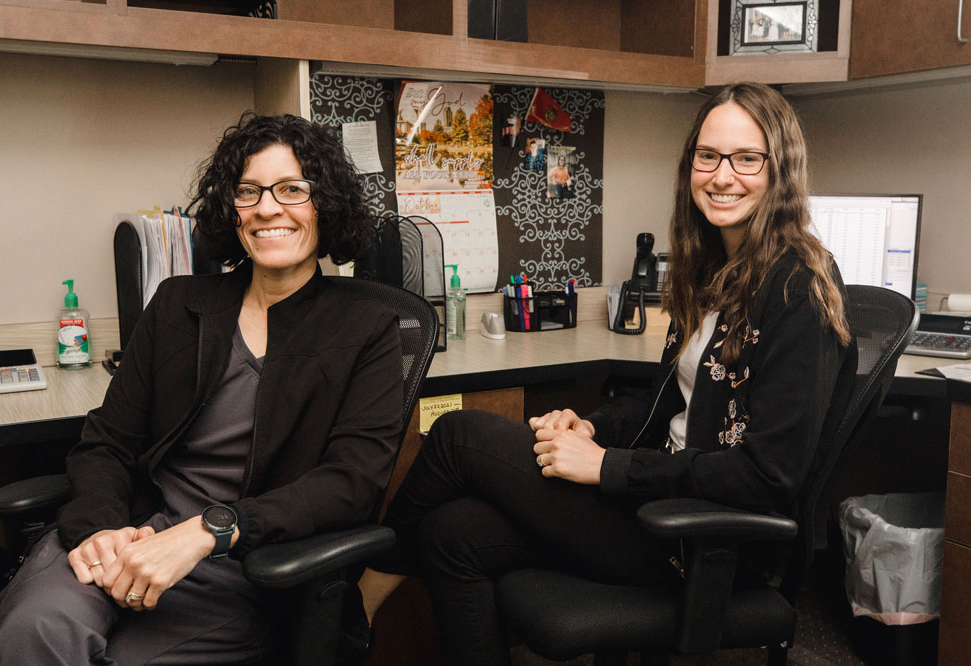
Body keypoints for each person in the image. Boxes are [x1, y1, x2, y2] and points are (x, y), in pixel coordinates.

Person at [357, 82, 857, 666]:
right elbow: (666, 404)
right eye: (708, 156)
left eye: (747, 158)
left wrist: (608, 468)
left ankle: (357, 609)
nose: (723, 176)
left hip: (702, 536)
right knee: (450, 533)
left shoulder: (799, 288)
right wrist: (591, 428)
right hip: (658, 501)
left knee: (457, 436)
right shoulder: (718, 271)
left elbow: (769, 477)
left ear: (781, 171)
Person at [0, 114, 404, 665]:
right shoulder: (179, 305)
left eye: (293, 189)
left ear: (328, 204)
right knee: (33, 635)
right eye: (249, 192)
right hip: (128, 536)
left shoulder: (366, 327)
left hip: (236, 567)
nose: (268, 208)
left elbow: (351, 484)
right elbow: (106, 441)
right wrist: (103, 528)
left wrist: (211, 530)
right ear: (232, 209)